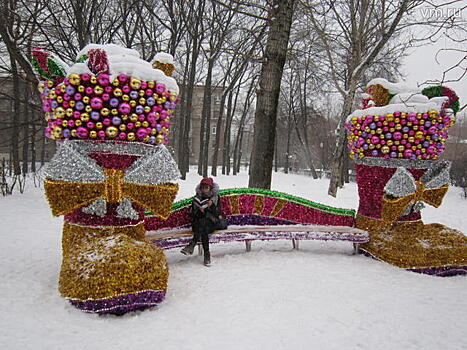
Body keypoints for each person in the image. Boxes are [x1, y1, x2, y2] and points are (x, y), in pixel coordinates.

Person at [180, 177, 224, 266]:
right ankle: (207, 256)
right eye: (202, 187)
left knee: (204, 226)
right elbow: (192, 215)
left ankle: (192, 245)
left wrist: (211, 207)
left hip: (212, 222)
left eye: (206, 187)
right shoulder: (197, 197)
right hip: (199, 223)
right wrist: (198, 209)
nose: (204, 190)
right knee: (203, 227)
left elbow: (218, 213)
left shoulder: (215, 198)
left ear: (210, 188)